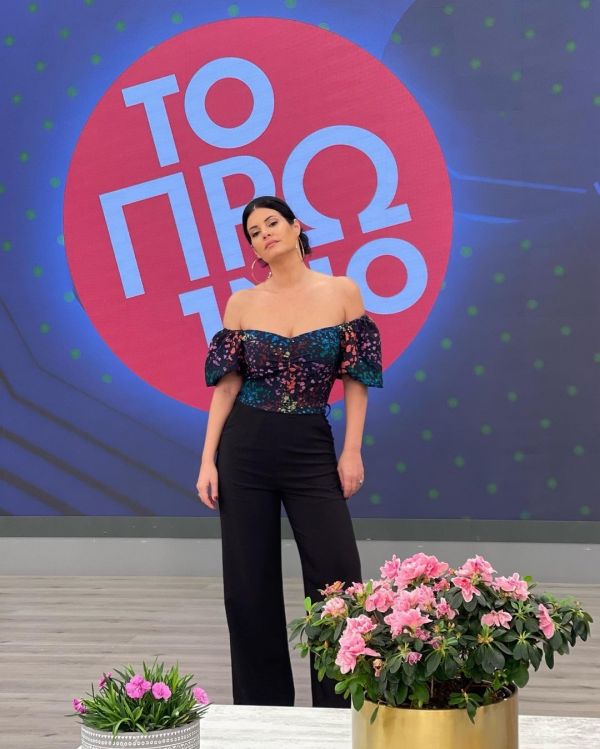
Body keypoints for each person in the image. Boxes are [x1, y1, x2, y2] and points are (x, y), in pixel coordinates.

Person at [197, 195, 383, 708]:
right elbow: (227, 388)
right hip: (244, 450)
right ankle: (263, 713)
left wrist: (352, 451)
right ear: (253, 249)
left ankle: (337, 711)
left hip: (310, 447)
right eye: (254, 232)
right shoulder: (241, 302)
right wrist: (207, 460)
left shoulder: (342, 291)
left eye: (271, 223)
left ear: (296, 226)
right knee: (248, 585)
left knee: (337, 580)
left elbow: (356, 381)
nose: (265, 234)